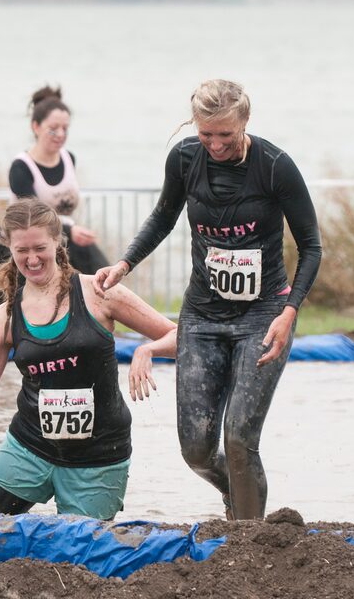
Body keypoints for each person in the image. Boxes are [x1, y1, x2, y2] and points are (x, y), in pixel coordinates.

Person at [93, 79, 322, 520]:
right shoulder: (183, 159)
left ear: (245, 122)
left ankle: (250, 538)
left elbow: (311, 245)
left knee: (238, 438)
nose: (215, 145)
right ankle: (236, 495)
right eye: (206, 135)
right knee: (196, 449)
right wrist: (125, 264)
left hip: (264, 315)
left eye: (226, 135)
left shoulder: (275, 166)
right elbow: (163, 215)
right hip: (201, 316)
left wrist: (290, 311)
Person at [0, 199, 176, 519]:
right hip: (28, 449)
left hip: (99, 455)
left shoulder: (100, 293)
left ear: (58, 241)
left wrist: (147, 350)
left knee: (84, 560)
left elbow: (183, 338)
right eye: (21, 251)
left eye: (40, 248)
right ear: (9, 249)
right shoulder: (5, 318)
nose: (32, 259)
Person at [0, 86, 109, 306]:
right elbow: (36, 214)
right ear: (36, 127)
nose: (61, 135)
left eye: (65, 128)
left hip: (65, 242)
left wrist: (71, 231)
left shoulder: (68, 159)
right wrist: (70, 230)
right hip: (33, 241)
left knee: (83, 300)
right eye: (53, 129)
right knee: (29, 303)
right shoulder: (21, 167)